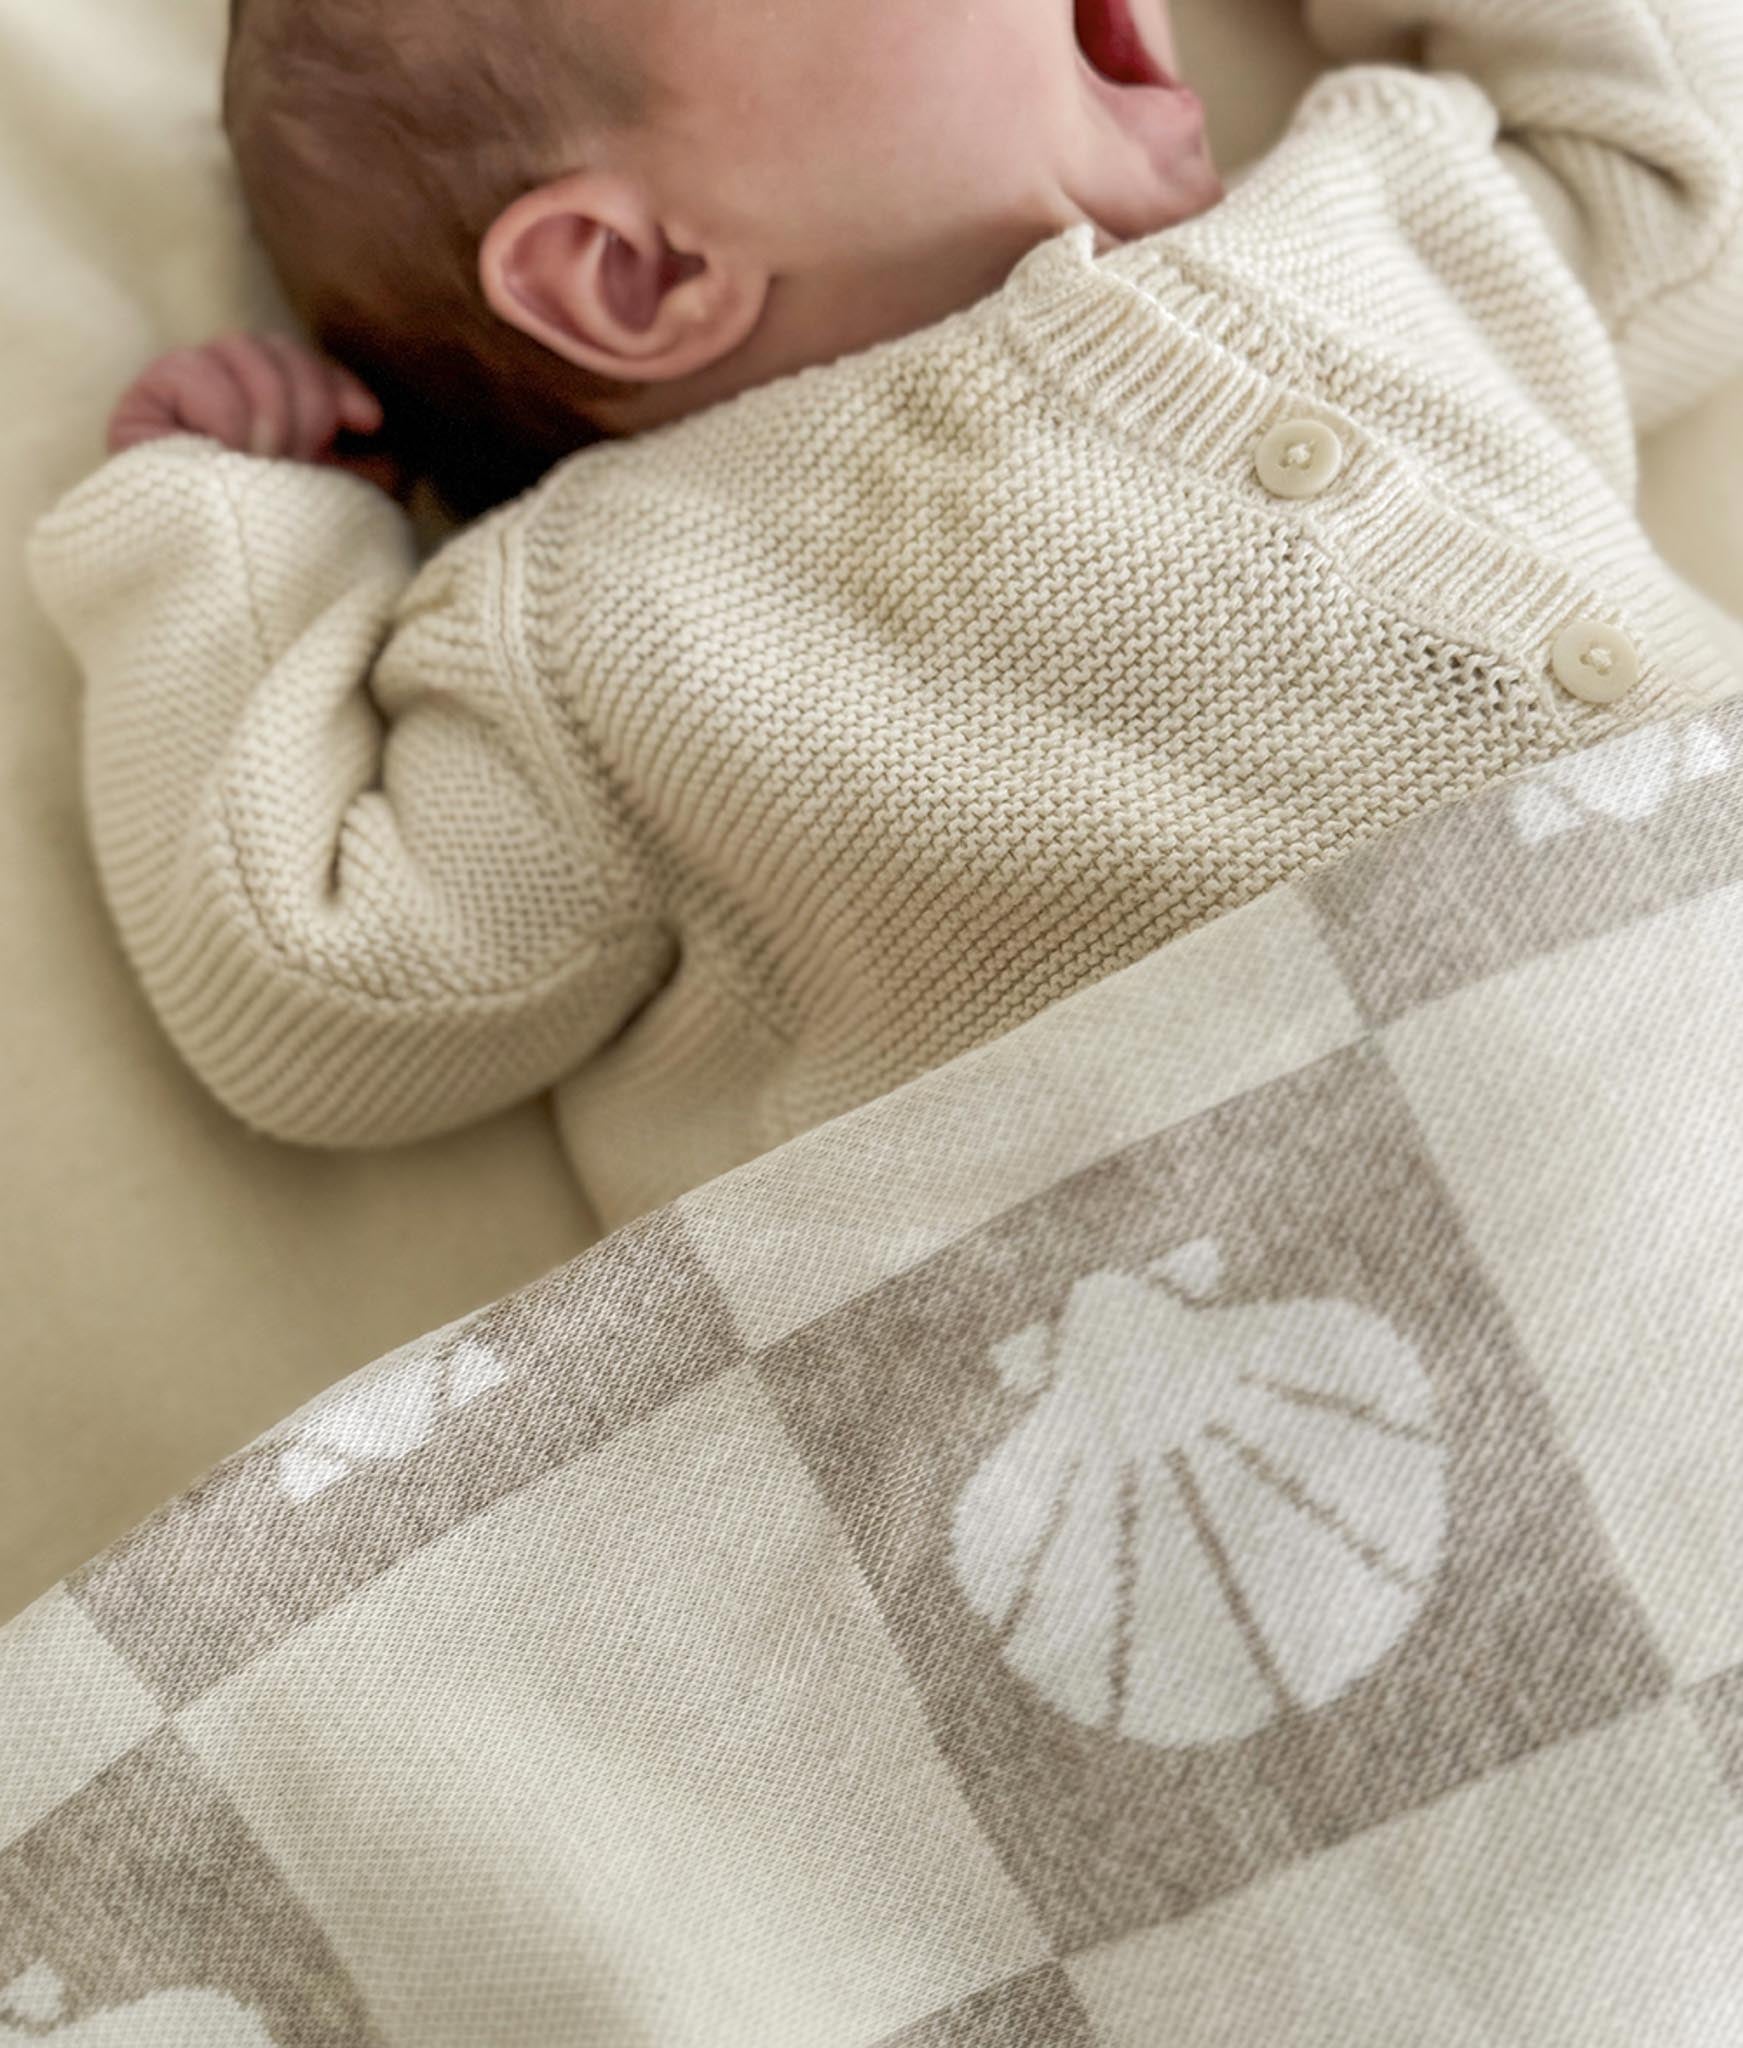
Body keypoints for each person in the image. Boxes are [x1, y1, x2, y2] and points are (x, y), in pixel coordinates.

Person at [29, 0, 1743, 1232]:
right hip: (1230, 1305)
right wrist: (229, 545)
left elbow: (1684, 183)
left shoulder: (1371, 213)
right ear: (639, 276)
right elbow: (327, 987)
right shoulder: (597, 621)